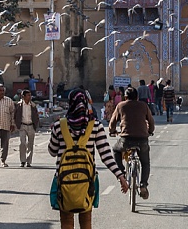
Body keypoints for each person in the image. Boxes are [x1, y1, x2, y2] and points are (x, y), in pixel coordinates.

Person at [49, 89, 128, 229]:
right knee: (86, 221)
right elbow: (106, 156)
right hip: (87, 182)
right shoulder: (95, 126)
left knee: (66, 219)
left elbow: (52, 151)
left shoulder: (58, 126)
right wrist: (120, 176)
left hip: (63, 182)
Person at [109, 86, 154, 200]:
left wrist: (112, 131)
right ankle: (143, 184)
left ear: (125, 97)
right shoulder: (143, 106)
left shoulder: (121, 106)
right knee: (145, 163)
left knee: (115, 149)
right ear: (137, 97)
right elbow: (151, 121)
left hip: (126, 140)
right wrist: (150, 131)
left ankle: (122, 174)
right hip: (142, 139)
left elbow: (112, 122)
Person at [14, 89, 39, 167]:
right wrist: (16, 124)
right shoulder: (19, 105)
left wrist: (36, 125)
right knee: (22, 143)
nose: (30, 97)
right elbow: (15, 115)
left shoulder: (33, 105)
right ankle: (22, 161)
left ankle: (29, 161)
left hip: (31, 126)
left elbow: (36, 116)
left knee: (30, 144)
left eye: (30, 95)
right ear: (23, 96)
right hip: (22, 126)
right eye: (28, 95)